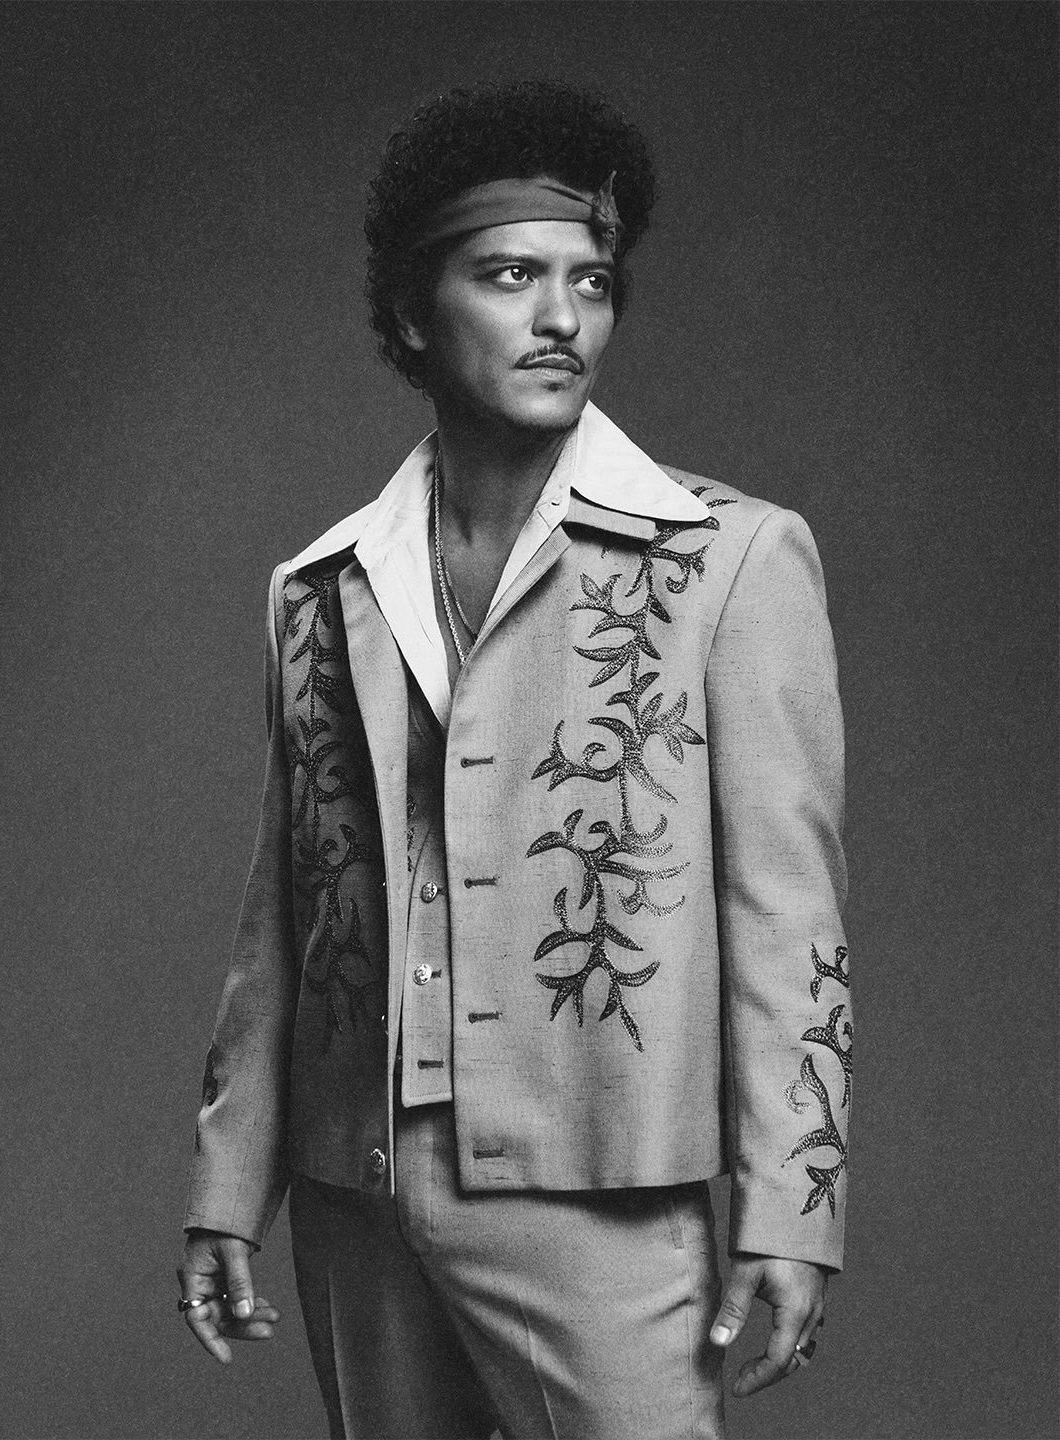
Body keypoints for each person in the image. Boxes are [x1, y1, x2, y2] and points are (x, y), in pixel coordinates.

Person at [177, 80, 852, 1440]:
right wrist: (227, 1186)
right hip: (357, 1193)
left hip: (600, 1190)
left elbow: (788, 913)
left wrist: (796, 1204)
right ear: (413, 313)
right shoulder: (320, 588)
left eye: (590, 283)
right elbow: (289, 915)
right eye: (509, 277)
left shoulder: (728, 559)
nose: (562, 320)